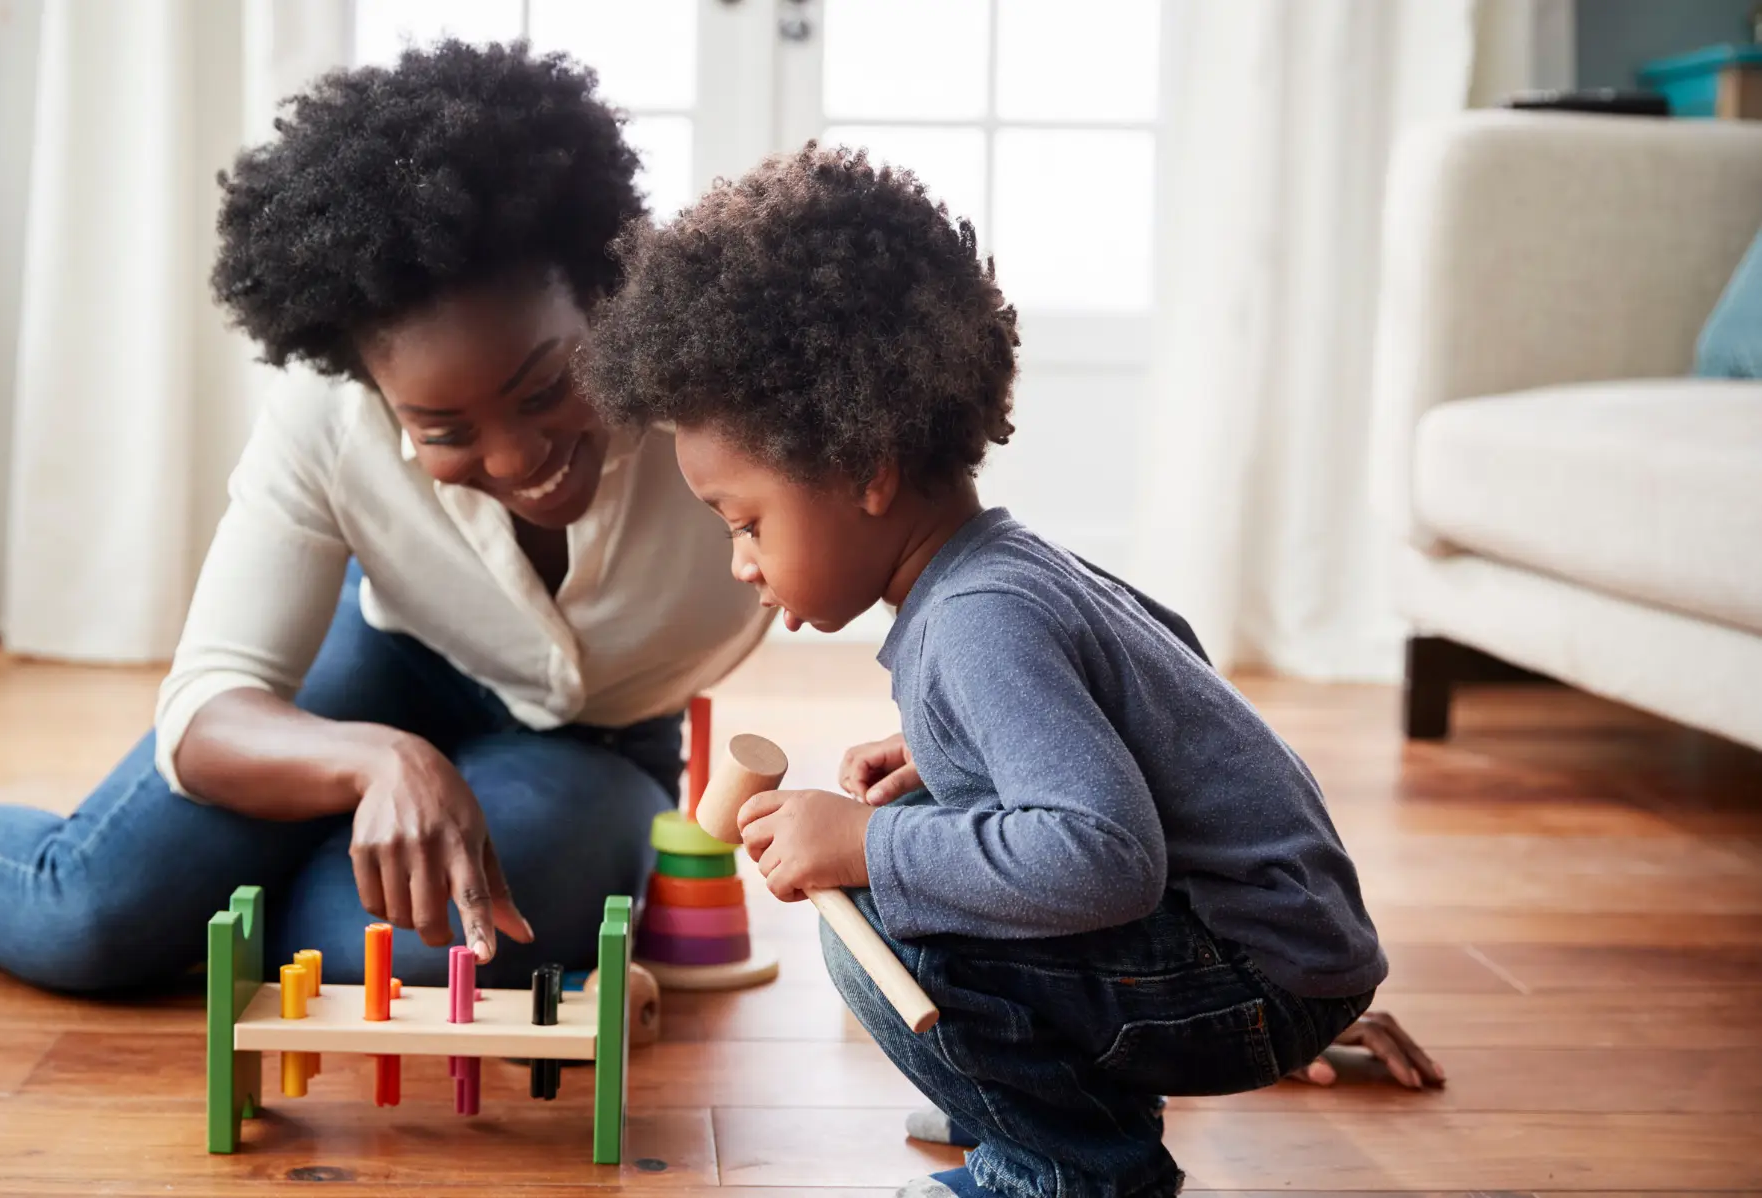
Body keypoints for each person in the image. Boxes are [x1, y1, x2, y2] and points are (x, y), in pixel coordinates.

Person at [0, 41, 770, 991]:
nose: (514, 460)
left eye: (547, 386)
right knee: (84, 916)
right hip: (395, 659)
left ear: (606, 295)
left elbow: (901, 542)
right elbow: (210, 706)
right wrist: (376, 759)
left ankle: (232, 886)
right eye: (440, 424)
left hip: (593, 740)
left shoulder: (732, 381)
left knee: (391, 955)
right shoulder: (325, 415)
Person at [580, 143, 1433, 1198]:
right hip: (1286, 947)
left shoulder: (979, 620)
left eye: (744, 520)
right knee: (917, 888)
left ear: (863, 469)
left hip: (1250, 976)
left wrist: (865, 838)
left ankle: (1070, 1168)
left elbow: (1107, 857)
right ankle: (1040, 1098)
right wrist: (963, 758)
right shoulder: (1013, 567)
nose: (739, 559)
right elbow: (1168, 691)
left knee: (884, 938)